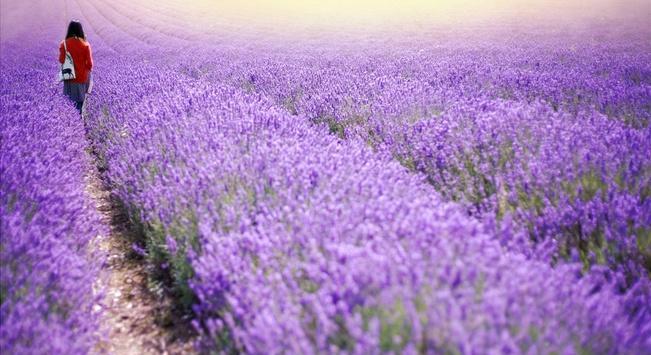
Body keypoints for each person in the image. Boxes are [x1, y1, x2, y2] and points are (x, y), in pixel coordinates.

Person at [59, 20, 93, 113]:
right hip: (81, 79)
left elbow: (61, 60)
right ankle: (78, 126)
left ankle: (69, 125)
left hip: (69, 79)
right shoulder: (85, 45)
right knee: (79, 106)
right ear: (80, 30)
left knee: (68, 105)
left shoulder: (64, 44)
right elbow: (90, 64)